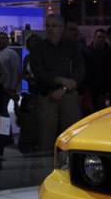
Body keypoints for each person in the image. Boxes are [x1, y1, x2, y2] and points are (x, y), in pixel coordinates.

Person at [29, 14, 85, 154]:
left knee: (70, 136)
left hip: (68, 95)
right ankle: (44, 169)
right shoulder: (39, 48)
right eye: (48, 26)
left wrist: (65, 87)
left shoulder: (72, 46)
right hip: (48, 95)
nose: (50, 29)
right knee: (46, 137)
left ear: (61, 28)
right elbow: (40, 73)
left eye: (54, 26)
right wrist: (61, 80)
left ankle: (71, 169)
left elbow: (80, 70)